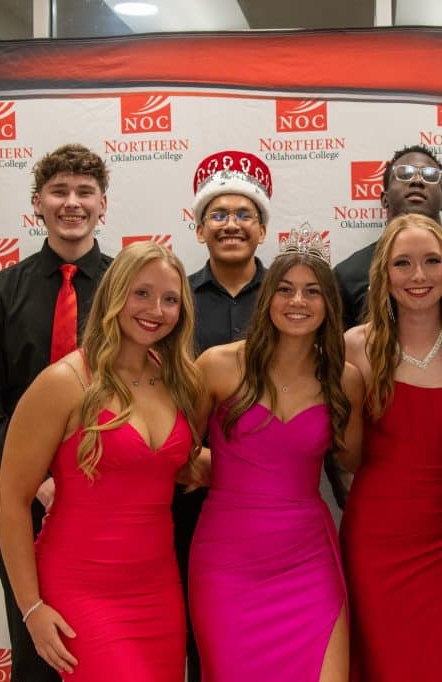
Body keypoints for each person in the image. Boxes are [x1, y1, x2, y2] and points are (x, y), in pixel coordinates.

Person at [0, 241, 203, 680]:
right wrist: (31, 608)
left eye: (170, 299)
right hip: (81, 589)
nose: (156, 309)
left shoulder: (179, 381)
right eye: (141, 293)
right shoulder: (64, 382)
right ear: (114, 294)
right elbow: (12, 500)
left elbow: (178, 467)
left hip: (159, 589)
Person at [188, 226, 364, 682]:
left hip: (307, 559)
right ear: (266, 299)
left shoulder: (344, 380)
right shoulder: (218, 366)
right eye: (284, 289)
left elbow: (354, 461)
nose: (297, 302)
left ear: (330, 304)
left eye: (311, 291)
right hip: (228, 559)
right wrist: (219, 471)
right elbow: (175, 449)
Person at [0, 143, 112, 682]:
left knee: (101, 639)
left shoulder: (130, 294)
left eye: (84, 192)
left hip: (109, 495)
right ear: (38, 204)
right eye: (59, 191)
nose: (71, 202)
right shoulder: (1, 293)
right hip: (25, 498)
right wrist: (41, 482)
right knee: (35, 640)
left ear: (103, 205)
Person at [340, 213, 442, 682]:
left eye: (431, 261)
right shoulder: (354, 348)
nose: (419, 276)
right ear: (384, 274)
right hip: (375, 537)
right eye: (403, 264)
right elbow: (345, 453)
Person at [331, 143, 442, 507]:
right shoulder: (345, 277)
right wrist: (347, 485)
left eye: (429, 175)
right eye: (404, 175)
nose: (417, 182)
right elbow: (336, 410)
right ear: (382, 196)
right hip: (378, 494)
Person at [173, 149, 270, 679]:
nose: (231, 224)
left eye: (243, 215)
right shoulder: (174, 300)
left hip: (272, 495)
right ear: (200, 228)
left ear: (261, 229)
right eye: (218, 215)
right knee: (200, 629)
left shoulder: (291, 298)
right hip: (190, 490)